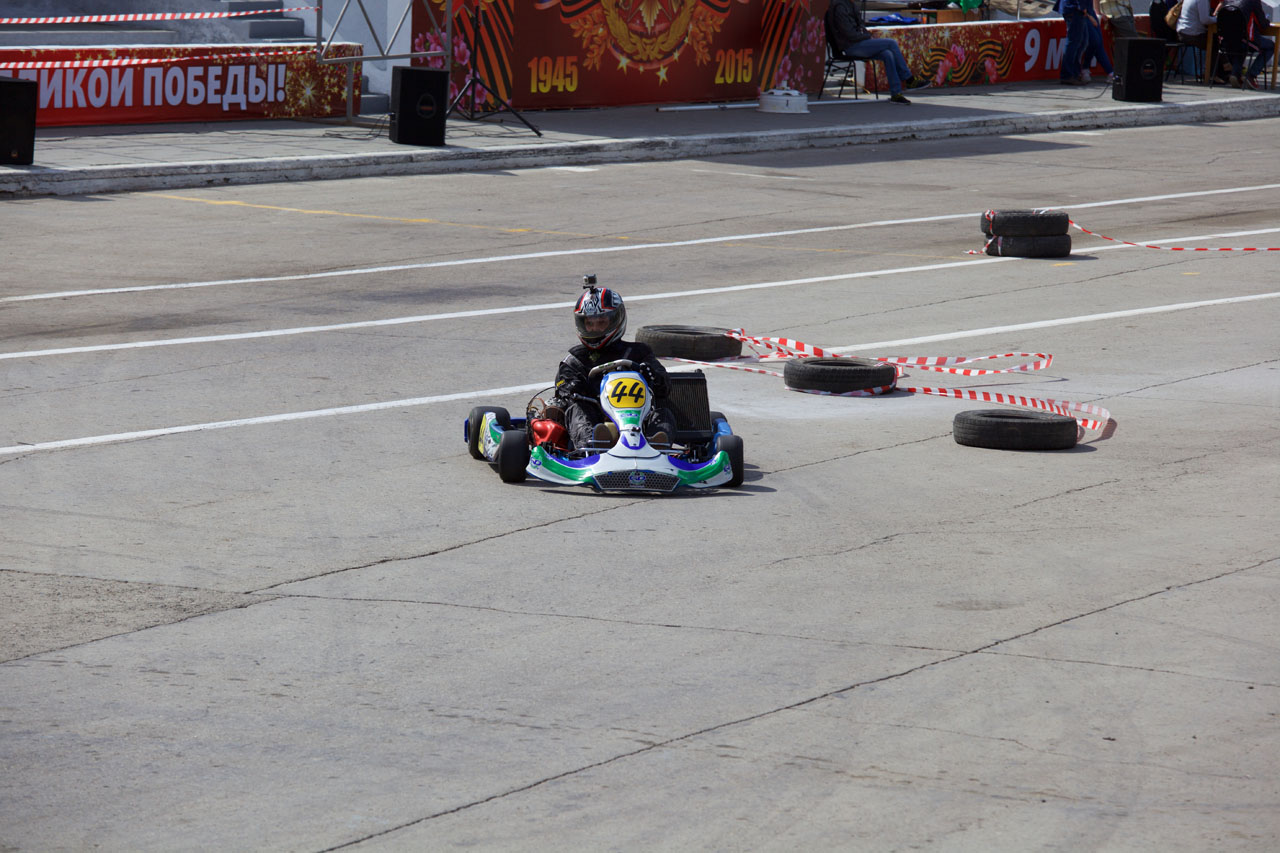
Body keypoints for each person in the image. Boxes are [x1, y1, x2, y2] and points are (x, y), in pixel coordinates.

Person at [553, 276, 675, 450]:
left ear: (616, 320)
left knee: (664, 412)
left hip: (639, 420)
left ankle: (655, 447)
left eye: (601, 322)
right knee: (577, 408)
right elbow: (564, 391)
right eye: (589, 323)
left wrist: (653, 376)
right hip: (596, 418)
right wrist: (574, 387)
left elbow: (665, 387)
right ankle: (592, 447)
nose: (595, 329)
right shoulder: (575, 360)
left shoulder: (639, 353)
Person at [825, 0, 923, 104]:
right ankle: (909, 79)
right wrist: (866, 36)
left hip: (859, 42)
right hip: (851, 46)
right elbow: (849, 34)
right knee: (891, 43)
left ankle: (896, 94)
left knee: (887, 54)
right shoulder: (839, 7)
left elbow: (861, 25)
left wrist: (865, 35)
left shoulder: (851, 5)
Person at [1217, 0, 1273, 88]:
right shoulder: (1253, 1)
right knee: (1271, 46)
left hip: (1226, 41)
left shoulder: (1227, 1)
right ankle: (1251, 75)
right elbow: (1263, 24)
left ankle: (1235, 74)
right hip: (1245, 40)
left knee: (1240, 47)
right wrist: (1267, 21)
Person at [1177, 0, 1221, 79]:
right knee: (1214, 43)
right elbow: (1205, 20)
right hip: (1192, 34)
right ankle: (1211, 75)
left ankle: (1222, 67)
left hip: (1182, 32)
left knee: (1214, 40)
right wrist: (1218, 19)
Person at [1081, 0, 1118, 84]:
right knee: (1095, 41)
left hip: (1090, 11)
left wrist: (1097, 13)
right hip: (1082, 12)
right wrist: (1090, 17)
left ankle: (1086, 69)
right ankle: (1109, 72)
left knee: (1098, 42)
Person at [1056, 0, 1093, 84]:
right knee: (1074, 42)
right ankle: (1067, 75)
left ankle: (1074, 73)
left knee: (1082, 42)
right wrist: (1082, 6)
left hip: (1076, 8)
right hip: (1074, 8)